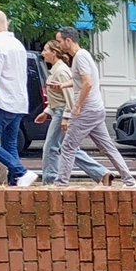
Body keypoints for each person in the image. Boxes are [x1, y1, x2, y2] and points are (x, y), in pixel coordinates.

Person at [52, 27, 136, 188]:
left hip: (86, 110)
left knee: (68, 147)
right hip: (96, 109)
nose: (58, 45)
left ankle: (61, 183)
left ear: (68, 41)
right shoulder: (83, 55)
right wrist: (63, 85)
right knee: (108, 147)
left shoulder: (79, 57)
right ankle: (130, 181)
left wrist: (78, 106)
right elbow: (81, 81)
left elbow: (88, 83)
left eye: (59, 41)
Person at [35, 41, 113, 186]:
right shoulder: (57, 70)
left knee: (51, 147)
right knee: (68, 148)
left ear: (54, 53)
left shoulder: (61, 72)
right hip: (59, 112)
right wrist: (46, 112)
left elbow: (69, 97)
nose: (43, 53)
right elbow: (57, 97)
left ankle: (51, 181)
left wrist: (66, 117)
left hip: (62, 113)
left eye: (45, 50)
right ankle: (102, 173)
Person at [0, 9, 36, 187]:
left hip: (3, 101)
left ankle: (21, 171)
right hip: (19, 101)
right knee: (10, 144)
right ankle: (16, 181)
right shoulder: (17, 44)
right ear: (7, 23)